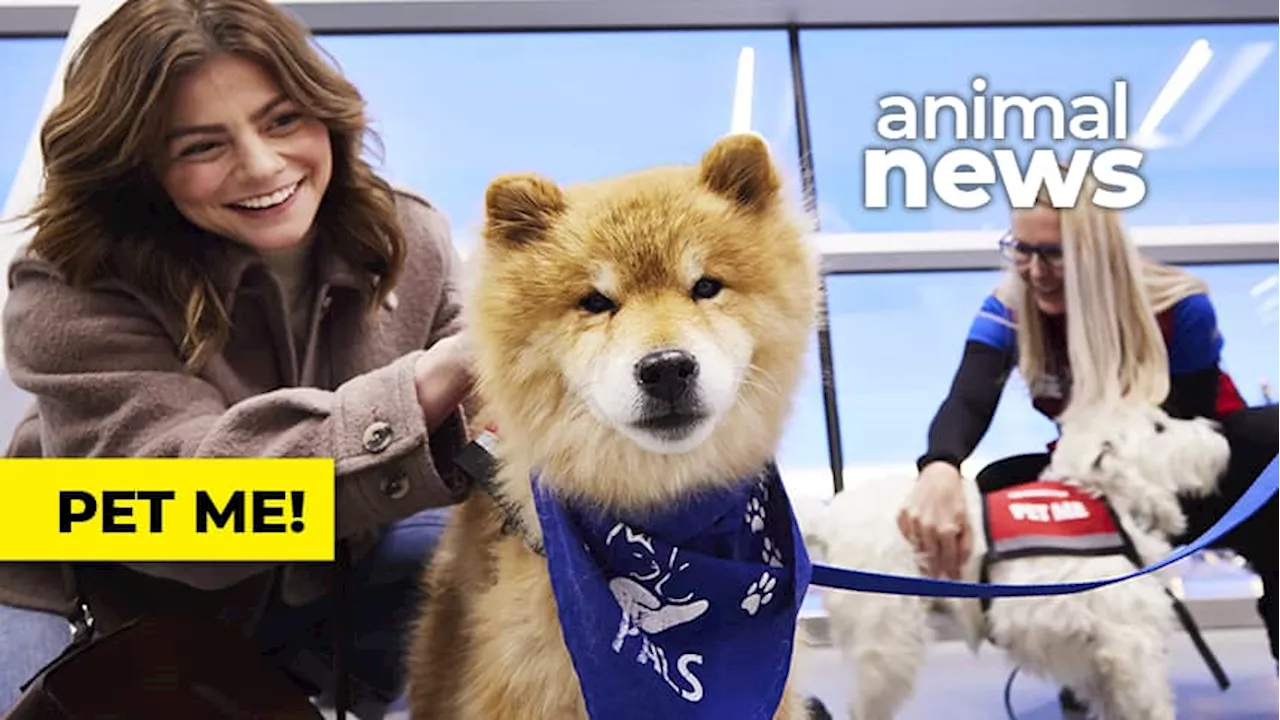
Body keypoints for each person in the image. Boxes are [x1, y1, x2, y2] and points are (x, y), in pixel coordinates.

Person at [0, 0, 473, 715]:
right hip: (99, 590)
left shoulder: (407, 231)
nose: (262, 166)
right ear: (136, 168)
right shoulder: (67, 284)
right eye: (201, 146)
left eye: (283, 119)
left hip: (332, 576)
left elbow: (501, 430)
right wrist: (423, 389)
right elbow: (186, 519)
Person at [897, 172, 1280, 691]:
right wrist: (940, 466)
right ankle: (1082, 667)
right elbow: (968, 397)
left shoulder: (1179, 306)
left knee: (1270, 439)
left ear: (1096, 252)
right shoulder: (1011, 306)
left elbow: (1187, 423)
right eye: (1022, 251)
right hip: (1103, 476)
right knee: (999, 485)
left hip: (1196, 469)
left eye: (1054, 254)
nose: (1035, 271)